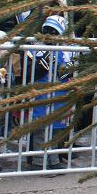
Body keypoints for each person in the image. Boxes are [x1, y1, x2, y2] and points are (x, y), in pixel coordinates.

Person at [25, 15, 71, 170]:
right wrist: (41, 65)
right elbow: (28, 73)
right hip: (41, 95)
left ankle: (53, 159)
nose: (50, 35)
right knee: (41, 130)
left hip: (58, 97)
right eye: (48, 31)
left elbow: (69, 72)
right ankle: (38, 161)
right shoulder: (36, 49)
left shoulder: (65, 51)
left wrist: (67, 70)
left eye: (54, 32)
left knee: (55, 130)